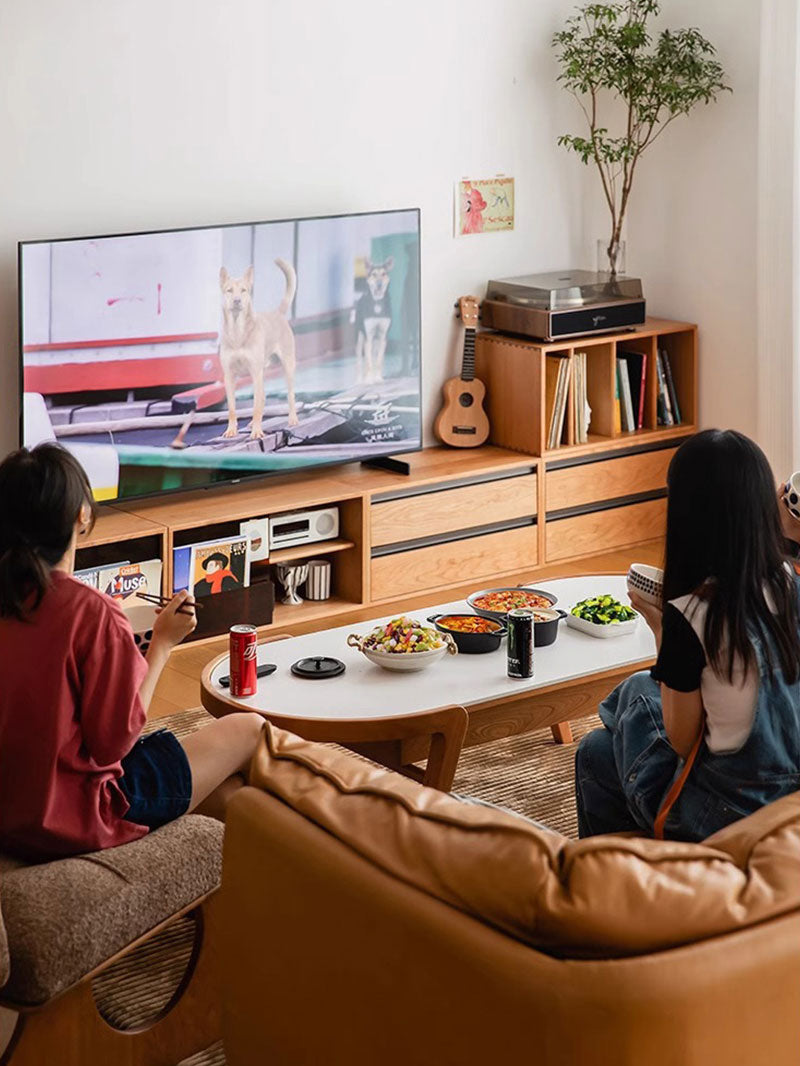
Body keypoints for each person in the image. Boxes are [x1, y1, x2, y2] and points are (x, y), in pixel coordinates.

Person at [0, 443, 264, 860]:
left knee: (229, 793)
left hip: (11, 815)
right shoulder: (92, 612)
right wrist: (161, 645)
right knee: (248, 729)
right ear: (82, 515)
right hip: (77, 816)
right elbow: (116, 745)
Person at [575, 430, 800, 842]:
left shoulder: (692, 614)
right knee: (615, 726)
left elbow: (682, 741)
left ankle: (619, 886)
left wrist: (661, 627)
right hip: (789, 805)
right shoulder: (790, 581)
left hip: (720, 817)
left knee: (617, 718)